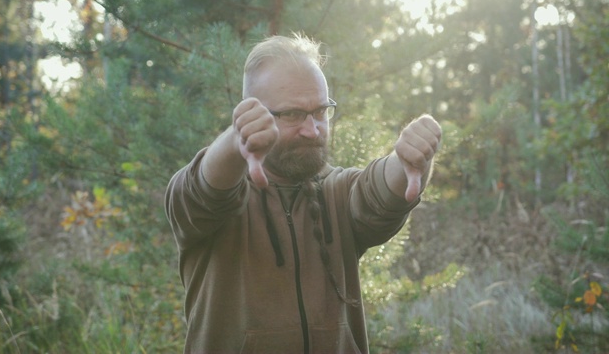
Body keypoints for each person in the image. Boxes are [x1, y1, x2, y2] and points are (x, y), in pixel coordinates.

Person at [164, 33, 442, 354]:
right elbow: (202, 190)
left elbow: (375, 194)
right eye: (293, 115)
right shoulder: (207, 199)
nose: (313, 130)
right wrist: (234, 141)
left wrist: (409, 160)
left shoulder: (337, 192)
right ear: (250, 115)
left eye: (321, 111)